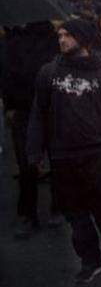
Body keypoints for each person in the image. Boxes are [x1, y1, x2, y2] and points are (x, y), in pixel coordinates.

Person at [27, 19, 101, 284]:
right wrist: (34, 151)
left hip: (97, 152)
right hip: (62, 155)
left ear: (83, 39)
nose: (61, 40)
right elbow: (39, 113)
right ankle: (90, 260)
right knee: (75, 212)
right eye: (60, 35)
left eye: (68, 35)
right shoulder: (49, 73)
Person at [2, 22, 60, 237]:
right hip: (25, 109)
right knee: (28, 164)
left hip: (46, 108)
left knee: (52, 160)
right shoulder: (11, 41)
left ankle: (52, 208)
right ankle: (30, 213)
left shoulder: (48, 38)